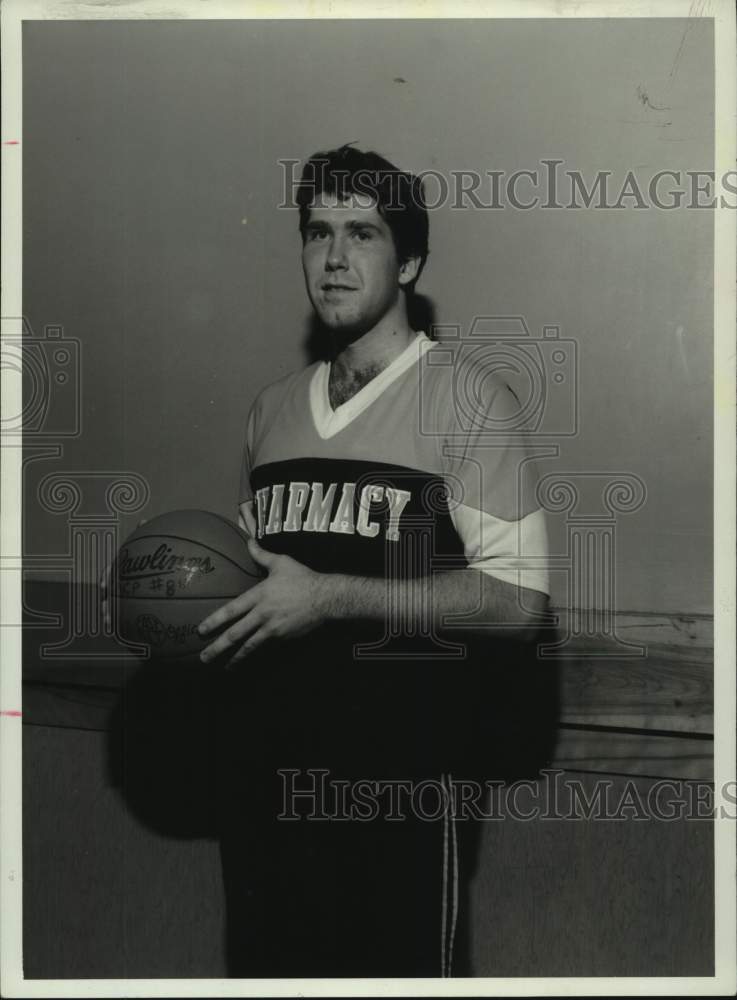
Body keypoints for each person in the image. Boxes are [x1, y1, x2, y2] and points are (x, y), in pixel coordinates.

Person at [193, 144, 556, 978]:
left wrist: (331, 599)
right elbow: (258, 587)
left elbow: (517, 603)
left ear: (411, 259)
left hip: (397, 787)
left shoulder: (468, 399)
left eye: (362, 233)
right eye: (317, 232)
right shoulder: (270, 411)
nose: (333, 256)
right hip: (265, 782)